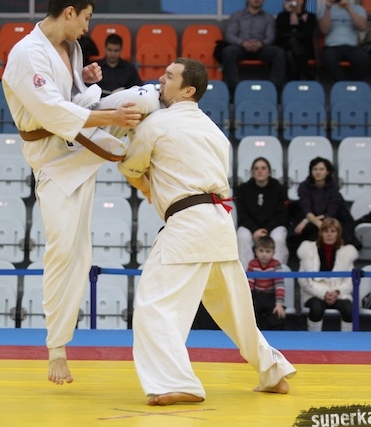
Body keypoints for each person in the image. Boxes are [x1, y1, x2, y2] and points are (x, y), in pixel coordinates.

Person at [118, 57, 296, 406]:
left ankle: (176, 382)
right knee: (234, 309)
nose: (161, 79)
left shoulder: (157, 123)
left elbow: (130, 165)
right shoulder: (215, 131)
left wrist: (141, 172)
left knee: (154, 305)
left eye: (170, 76)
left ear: (188, 90)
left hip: (187, 224)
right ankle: (273, 370)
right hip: (219, 221)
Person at [2, 0, 146, 386]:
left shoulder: (71, 47)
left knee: (143, 100)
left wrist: (80, 78)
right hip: (53, 160)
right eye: (86, 17)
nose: (87, 26)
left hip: (79, 144)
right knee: (67, 252)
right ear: (69, 11)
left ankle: (155, 177)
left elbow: (66, 94)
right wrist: (112, 117)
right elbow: (53, 113)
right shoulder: (26, 54)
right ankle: (57, 349)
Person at [297, 217, 358, 332]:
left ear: (338, 234)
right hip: (314, 294)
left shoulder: (347, 253)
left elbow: (349, 281)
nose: (329, 234)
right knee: (316, 308)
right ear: (321, 233)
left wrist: (337, 292)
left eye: (333, 231)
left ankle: (347, 340)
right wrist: (323, 293)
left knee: (349, 309)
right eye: (326, 231)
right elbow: (304, 281)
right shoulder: (307, 251)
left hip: (338, 293)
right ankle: (314, 340)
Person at [221, 0, 286, 94]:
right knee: (228, 52)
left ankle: (274, 90)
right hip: (241, 47)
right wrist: (242, 43)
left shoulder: (268, 17)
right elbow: (230, 35)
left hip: (261, 48)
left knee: (279, 52)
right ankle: (234, 89)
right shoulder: (237, 16)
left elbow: (270, 37)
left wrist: (261, 43)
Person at [235, 156, 289, 267]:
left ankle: (277, 271)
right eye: (256, 168)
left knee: (279, 236)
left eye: (263, 168)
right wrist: (255, 230)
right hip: (251, 227)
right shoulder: (243, 189)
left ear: (269, 172)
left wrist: (266, 230)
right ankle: (247, 272)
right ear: (252, 172)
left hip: (273, 227)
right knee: (242, 235)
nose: (260, 171)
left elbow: (282, 214)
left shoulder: (279, 189)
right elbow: (242, 214)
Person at [293, 156, 355, 247]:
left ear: (327, 172)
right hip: (310, 218)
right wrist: (313, 221)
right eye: (315, 169)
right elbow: (306, 209)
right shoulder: (304, 187)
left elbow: (331, 212)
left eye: (321, 169)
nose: (318, 172)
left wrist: (308, 221)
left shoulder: (334, 187)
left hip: (329, 218)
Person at [317, 0, 371, 82]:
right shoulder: (324, 9)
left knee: (363, 59)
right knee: (328, 60)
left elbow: (362, 27)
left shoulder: (358, 9)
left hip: (352, 46)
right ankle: (345, 84)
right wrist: (328, 9)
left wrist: (348, 9)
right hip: (332, 46)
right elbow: (324, 30)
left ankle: (352, 84)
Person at [248, 236, 286, 330]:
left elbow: (280, 286)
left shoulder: (276, 264)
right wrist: (247, 303)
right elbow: (249, 285)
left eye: (268, 251)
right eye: (261, 251)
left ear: (273, 253)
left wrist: (279, 304)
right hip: (257, 296)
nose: (264, 254)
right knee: (250, 314)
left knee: (278, 315)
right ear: (256, 251)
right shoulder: (252, 264)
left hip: (271, 296)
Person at [275, 0, 317, 81]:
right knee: (291, 44)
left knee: (290, 52)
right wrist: (290, 14)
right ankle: (307, 74)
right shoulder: (282, 16)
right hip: (285, 46)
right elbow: (281, 34)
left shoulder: (310, 16)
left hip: (304, 48)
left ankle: (294, 80)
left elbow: (306, 34)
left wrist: (298, 19)